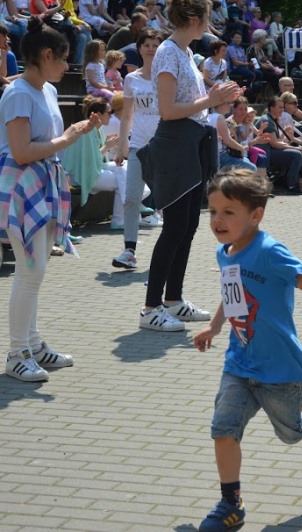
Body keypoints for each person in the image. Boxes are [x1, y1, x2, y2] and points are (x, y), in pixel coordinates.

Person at [193, 168, 302, 532]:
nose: (217, 220)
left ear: (256, 215)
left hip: (279, 368)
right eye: (213, 211)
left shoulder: (270, 251)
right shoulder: (225, 252)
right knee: (223, 428)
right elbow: (232, 292)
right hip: (239, 364)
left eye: (228, 212)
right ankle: (231, 504)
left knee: (292, 432)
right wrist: (215, 326)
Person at [1, 17, 99, 382]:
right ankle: (17, 353)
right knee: (30, 273)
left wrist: (73, 135)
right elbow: (21, 151)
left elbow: (45, 145)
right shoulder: (18, 94)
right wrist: (68, 137)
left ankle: (32, 344)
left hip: (41, 183)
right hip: (21, 186)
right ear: (46, 55)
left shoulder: (47, 91)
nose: (66, 65)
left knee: (35, 273)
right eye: (64, 58)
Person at [137, 0, 241, 332]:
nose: (210, 23)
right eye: (207, 17)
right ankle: (150, 308)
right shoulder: (169, 52)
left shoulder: (182, 52)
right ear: (195, 19)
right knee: (174, 228)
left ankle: (173, 300)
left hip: (190, 143)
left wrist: (215, 95)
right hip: (175, 145)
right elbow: (168, 110)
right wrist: (212, 99)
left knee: (187, 226)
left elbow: (189, 103)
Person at [111, 28, 162, 270]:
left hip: (164, 145)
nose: (150, 49)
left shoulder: (167, 76)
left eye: (155, 45)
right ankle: (129, 251)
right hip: (139, 145)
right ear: (139, 48)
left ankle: (170, 254)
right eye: (146, 45)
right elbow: (127, 115)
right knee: (131, 197)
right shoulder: (131, 79)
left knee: (168, 201)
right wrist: (122, 146)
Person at [62, 95, 132, 230]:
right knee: (122, 180)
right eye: (109, 113)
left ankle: (133, 206)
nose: (111, 116)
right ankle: (119, 219)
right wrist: (107, 146)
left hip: (93, 170)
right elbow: (89, 162)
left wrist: (107, 147)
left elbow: (96, 160)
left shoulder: (98, 129)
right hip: (82, 176)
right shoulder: (87, 130)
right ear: (99, 114)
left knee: (125, 166)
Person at [256, 95, 302, 195]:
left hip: (270, 151)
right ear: (271, 108)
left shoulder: (273, 119)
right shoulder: (268, 121)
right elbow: (275, 144)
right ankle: (291, 186)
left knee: (299, 155)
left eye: (282, 107)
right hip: (265, 154)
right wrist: (295, 148)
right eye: (279, 107)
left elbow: (277, 141)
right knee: (296, 154)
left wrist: (285, 133)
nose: (282, 110)